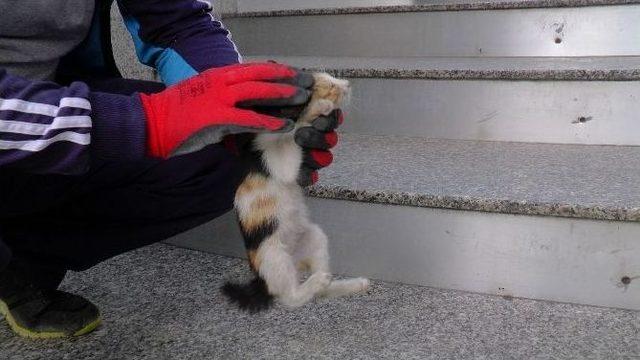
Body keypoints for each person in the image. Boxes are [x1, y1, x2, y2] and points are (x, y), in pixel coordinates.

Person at [0, 0, 342, 339]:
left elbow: (178, 22)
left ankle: (21, 264)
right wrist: (150, 122)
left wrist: (233, 109)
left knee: (232, 159)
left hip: (43, 112)